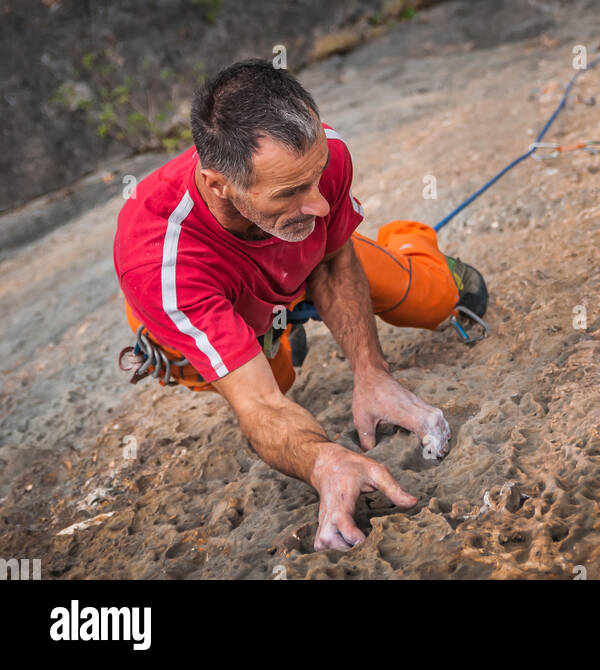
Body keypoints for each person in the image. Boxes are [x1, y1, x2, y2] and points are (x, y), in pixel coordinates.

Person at [113, 59, 487, 552]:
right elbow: (262, 404)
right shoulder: (159, 259)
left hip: (303, 261)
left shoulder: (322, 152)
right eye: (291, 192)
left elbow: (333, 261)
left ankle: (415, 246)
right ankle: (280, 325)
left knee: (429, 297)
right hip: (210, 298)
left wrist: (370, 370)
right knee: (279, 381)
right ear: (218, 184)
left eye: (316, 178)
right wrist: (324, 461)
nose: (321, 204)